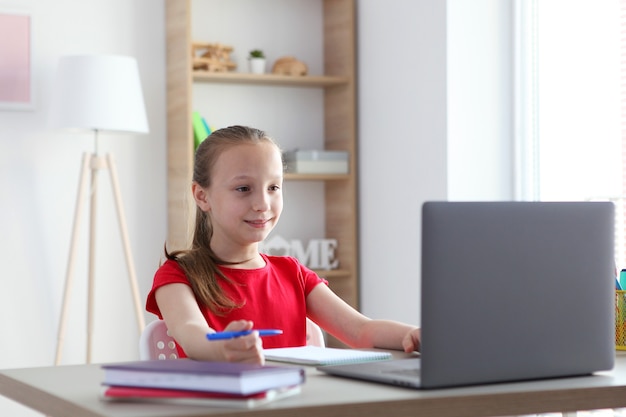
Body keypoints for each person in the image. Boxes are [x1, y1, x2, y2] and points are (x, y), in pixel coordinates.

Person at [146, 125, 421, 364]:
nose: (263, 204)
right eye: (243, 188)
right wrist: (223, 349)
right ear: (202, 196)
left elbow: (361, 331)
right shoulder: (177, 275)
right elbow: (193, 333)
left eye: (273, 187)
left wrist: (413, 335)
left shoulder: (294, 274)